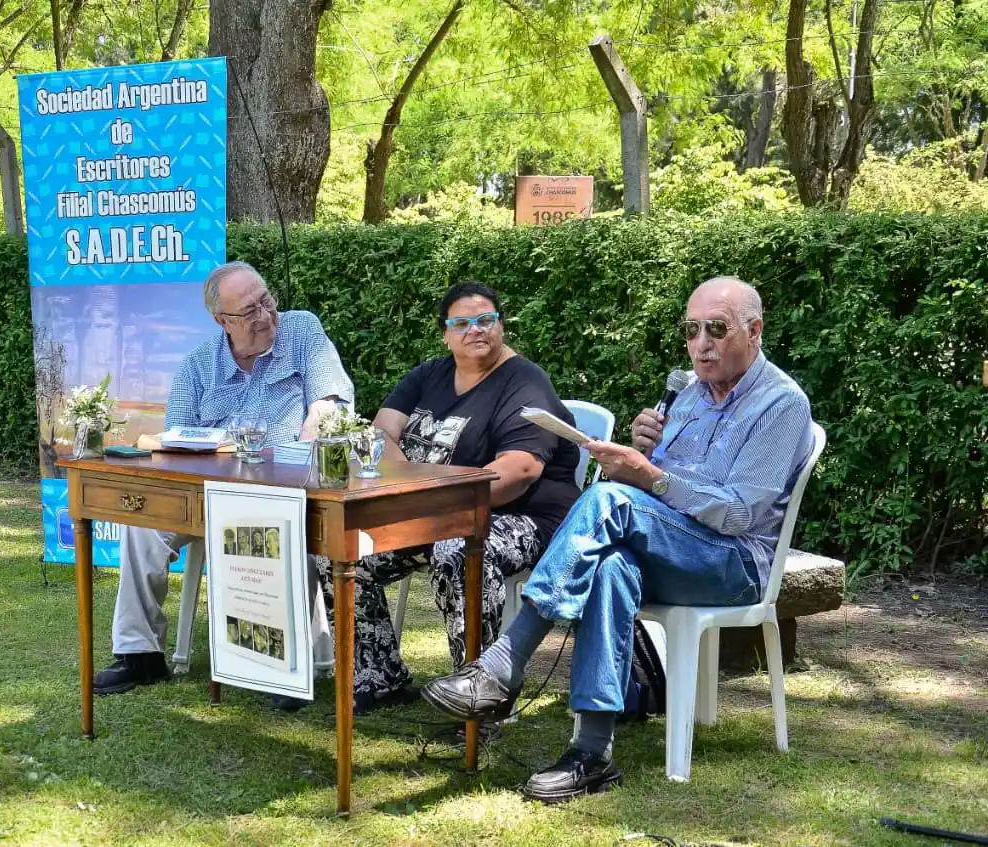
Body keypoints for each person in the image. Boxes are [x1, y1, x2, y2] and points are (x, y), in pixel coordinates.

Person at [421, 276, 815, 803]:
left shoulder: (782, 405)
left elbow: (740, 515)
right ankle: (592, 753)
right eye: (692, 330)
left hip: (734, 564)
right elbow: (661, 491)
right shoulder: (690, 395)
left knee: (608, 501)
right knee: (610, 567)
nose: (702, 344)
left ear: (755, 331)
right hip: (671, 547)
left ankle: (502, 667)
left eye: (717, 329)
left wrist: (650, 477)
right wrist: (642, 456)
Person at [308, 281, 582, 715]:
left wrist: (428, 498)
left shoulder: (524, 382)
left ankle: (482, 692)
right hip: (428, 510)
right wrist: (417, 488)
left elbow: (519, 471)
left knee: (457, 550)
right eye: (462, 323)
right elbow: (380, 432)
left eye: (486, 320)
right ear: (446, 334)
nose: (476, 330)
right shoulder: (430, 374)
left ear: (501, 326)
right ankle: (377, 676)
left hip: (521, 517)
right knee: (340, 550)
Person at [93, 261, 354, 694]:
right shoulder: (197, 367)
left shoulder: (302, 331)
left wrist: (309, 439)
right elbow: (172, 445)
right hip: (213, 493)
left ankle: (281, 667)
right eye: (249, 312)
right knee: (140, 526)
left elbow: (329, 403)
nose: (265, 316)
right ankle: (139, 654)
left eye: (266, 301)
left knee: (284, 528)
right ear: (222, 321)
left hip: (290, 489)